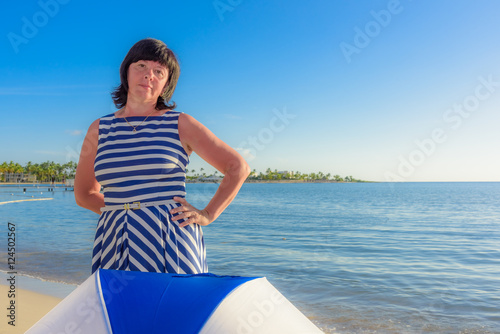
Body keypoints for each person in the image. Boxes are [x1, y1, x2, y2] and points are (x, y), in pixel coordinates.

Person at [74, 38, 250, 275]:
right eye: (141, 66)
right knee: (122, 311)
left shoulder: (180, 123)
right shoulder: (99, 128)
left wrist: (207, 214)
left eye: (159, 71)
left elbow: (237, 167)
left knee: (179, 309)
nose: (149, 75)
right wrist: (125, 210)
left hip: (171, 237)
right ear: (126, 71)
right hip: (115, 237)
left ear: (167, 84)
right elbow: (84, 194)